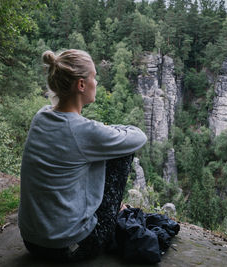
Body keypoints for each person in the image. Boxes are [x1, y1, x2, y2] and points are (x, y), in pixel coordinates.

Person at [18, 49, 147, 262]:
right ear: (81, 85)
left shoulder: (41, 116)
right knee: (123, 151)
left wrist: (103, 132)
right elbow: (138, 137)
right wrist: (110, 131)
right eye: (94, 77)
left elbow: (83, 135)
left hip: (31, 240)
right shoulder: (84, 131)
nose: (96, 82)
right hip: (68, 247)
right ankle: (113, 210)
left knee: (101, 151)